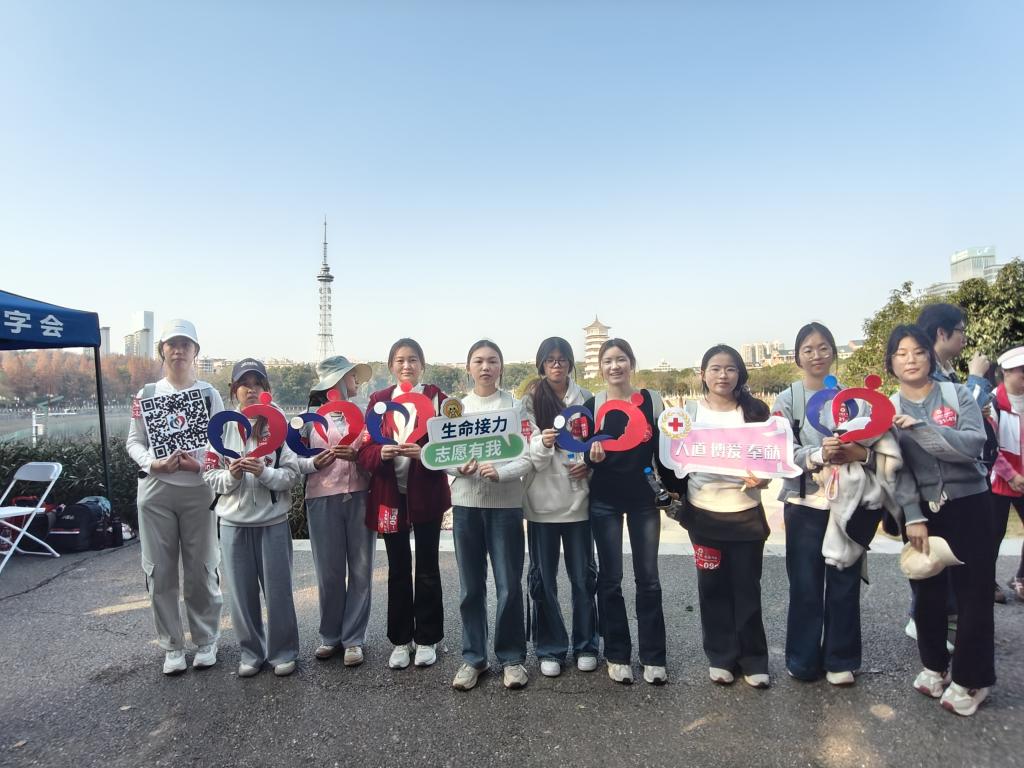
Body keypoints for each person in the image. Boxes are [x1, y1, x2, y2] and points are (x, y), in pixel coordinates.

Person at [887, 324, 996, 716]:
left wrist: (924, 429)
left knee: (974, 596)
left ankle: (972, 679)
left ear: (930, 356)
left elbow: (973, 444)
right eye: (901, 353)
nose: (911, 359)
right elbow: (897, 469)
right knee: (927, 593)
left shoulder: (957, 394)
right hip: (923, 514)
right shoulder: (889, 408)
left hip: (970, 504)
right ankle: (935, 666)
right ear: (891, 362)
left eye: (918, 351)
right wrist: (912, 515)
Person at [771, 323, 871, 686]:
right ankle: (802, 659)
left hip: (848, 502)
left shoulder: (854, 399)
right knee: (805, 584)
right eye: (808, 349)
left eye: (824, 347)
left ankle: (841, 659)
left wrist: (855, 451)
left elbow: (873, 445)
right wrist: (817, 454)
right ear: (798, 356)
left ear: (834, 352)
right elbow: (780, 451)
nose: (817, 355)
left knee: (844, 581)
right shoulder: (787, 399)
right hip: (804, 502)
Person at [126, 319, 224, 675]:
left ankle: (206, 639)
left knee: (202, 569)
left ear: (196, 351)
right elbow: (134, 441)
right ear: (162, 350)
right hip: (156, 490)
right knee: (159, 571)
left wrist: (201, 464)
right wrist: (153, 463)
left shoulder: (209, 394)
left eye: (186, 344)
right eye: (172, 344)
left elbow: (220, 441)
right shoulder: (146, 395)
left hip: (198, 489)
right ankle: (171, 646)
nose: (179, 350)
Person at [203, 359, 302, 678]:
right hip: (233, 524)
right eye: (244, 384)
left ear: (266, 390)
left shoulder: (278, 427)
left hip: (272, 522)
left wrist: (264, 473)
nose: (251, 389)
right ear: (234, 390)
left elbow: (291, 474)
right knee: (241, 596)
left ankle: (283, 652)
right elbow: (210, 475)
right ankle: (251, 652)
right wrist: (231, 476)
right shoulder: (220, 428)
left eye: (257, 383)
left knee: (279, 592)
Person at [357, 339, 450, 670]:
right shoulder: (379, 401)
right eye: (400, 360)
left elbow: (449, 446)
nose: (406, 366)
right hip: (389, 495)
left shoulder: (437, 399)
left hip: (426, 495)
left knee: (427, 567)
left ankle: (427, 638)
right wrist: (380, 453)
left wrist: (424, 454)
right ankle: (400, 640)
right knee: (397, 569)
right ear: (391, 366)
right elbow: (364, 449)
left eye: (413, 359)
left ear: (422, 364)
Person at [684, 344, 772, 689]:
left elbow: (771, 457)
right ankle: (720, 656)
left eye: (730, 368)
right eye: (715, 368)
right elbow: (673, 459)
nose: (723, 375)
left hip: (745, 512)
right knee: (712, 588)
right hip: (704, 513)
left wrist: (764, 478)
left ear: (740, 373)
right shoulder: (689, 414)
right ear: (703, 374)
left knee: (747, 588)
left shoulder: (756, 411)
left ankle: (754, 659)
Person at [584, 338, 669, 686]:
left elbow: (667, 449)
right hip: (604, 499)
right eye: (608, 361)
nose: (614, 366)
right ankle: (617, 654)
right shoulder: (592, 405)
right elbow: (580, 450)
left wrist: (675, 488)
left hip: (643, 499)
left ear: (632, 363)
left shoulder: (652, 400)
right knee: (610, 578)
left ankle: (654, 656)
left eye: (621, 359)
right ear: (600, 368)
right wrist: (591, 455)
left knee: (648, 579)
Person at [449, 340, 532, 691]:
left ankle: (512, 658)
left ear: (501, 367)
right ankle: (474, 658)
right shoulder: (456, 409)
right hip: (466, 505)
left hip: (505, 506)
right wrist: (459, 467)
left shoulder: (515, 407)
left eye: (493, 361)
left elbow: (528, 455)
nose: (486, 367)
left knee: (509, 585)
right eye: (479, 361)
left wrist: (503, 473)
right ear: (468, 367)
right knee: (470, 587)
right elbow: (440, 454)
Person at [521, 337, 599, 677]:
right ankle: (550, 647)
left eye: (562, 358)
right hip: (541, 503)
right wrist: (542, 443)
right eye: (550, 359)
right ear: (541, 364)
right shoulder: (528, 402)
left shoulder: (586, 400)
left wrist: (589, 466)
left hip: (579, 501)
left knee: (583, 578)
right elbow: (529, 455)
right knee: (543, 579)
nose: (556, 364)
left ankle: (586, 644)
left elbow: (597, 445)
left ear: (570, 363)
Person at [298, 355, 374, 666]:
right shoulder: (308, 419)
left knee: (360, 570)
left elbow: (372, 453)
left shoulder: (366, 415)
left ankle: (353, 638)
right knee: (328, 571)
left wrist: (359, 457)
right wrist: (313, 463)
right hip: (321, 496)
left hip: (360, 494)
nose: (356, 382)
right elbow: (293, 459)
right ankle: (330, 635)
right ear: (338, 381)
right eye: (352, 376)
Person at [989, 345, 1024, 601]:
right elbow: (989, 445)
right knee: (993, 534)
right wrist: (1011, 475)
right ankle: (987, 581)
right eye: (1022, 371)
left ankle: (1020, 578)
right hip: (999, 481)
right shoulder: (992, 402)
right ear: (1006, 372)